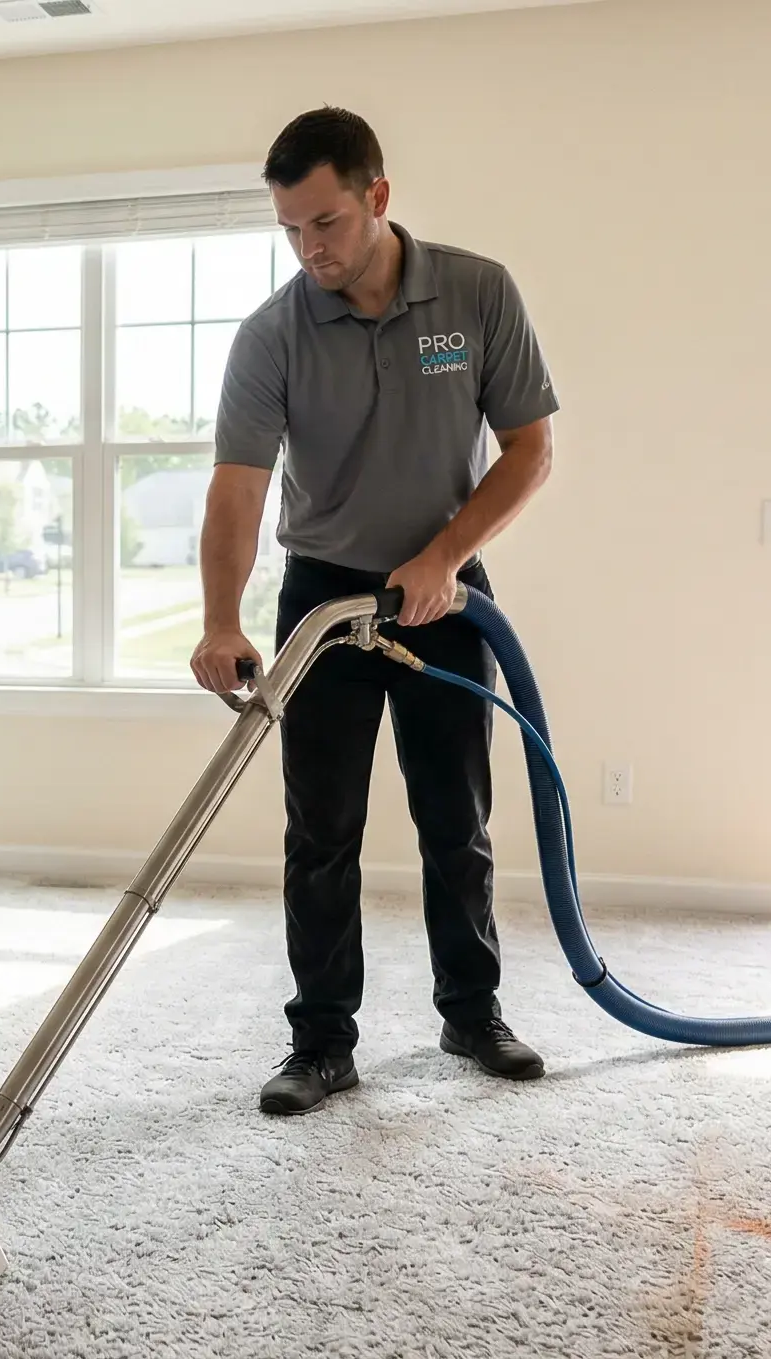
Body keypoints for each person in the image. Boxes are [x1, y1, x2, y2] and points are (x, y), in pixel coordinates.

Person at [190, 106, 560, 1115]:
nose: (309, 250)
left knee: (456, 817)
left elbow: (529, 448)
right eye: (290, 231)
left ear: (377, 198)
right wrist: (222, 619)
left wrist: (446, 555)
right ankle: (319, 1042)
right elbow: (236, 486)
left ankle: (471, 1012)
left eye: (325, 223)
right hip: (322, 599)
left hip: (443, 593)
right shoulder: (272, 334)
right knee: (321, 831)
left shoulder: (475, 292)